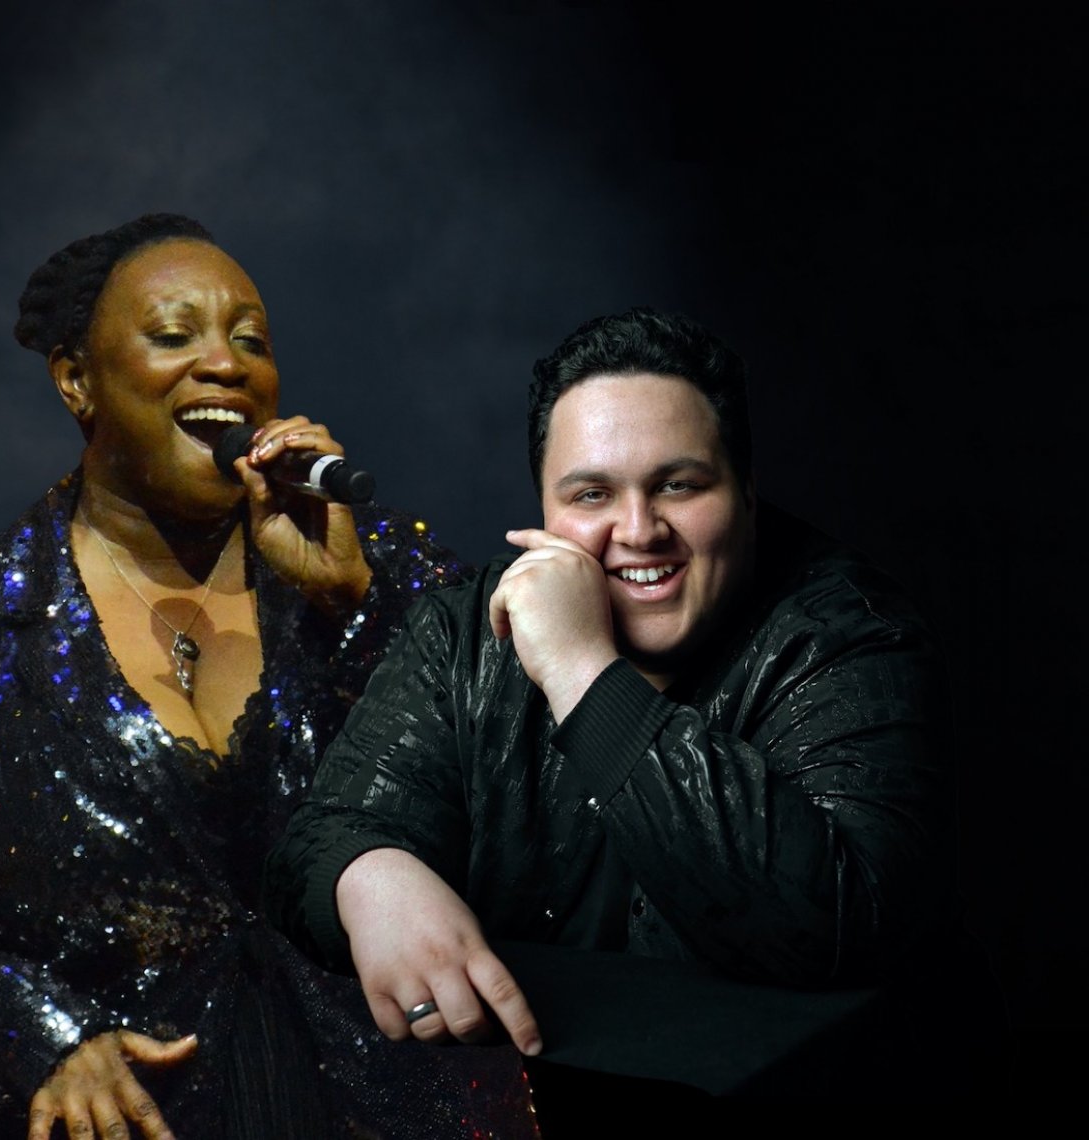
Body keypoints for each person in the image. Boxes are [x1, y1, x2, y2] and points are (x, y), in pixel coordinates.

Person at [0, 212, 539, 1139]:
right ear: (76, 380)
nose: (224, 364)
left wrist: (359, 608)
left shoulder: (380, 573)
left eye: (251, 341)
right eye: (174, 336)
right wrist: (36, 1036)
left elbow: (532, 796)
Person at [265, 306, 1007, 1107]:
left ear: (747, 492)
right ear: (545, 511)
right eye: (592, 493)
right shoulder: (461, 633)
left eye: (679, 485)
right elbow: (321, 836)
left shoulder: (854, 635)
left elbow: (837, 927)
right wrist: (368, 876)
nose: (639, 530)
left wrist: (582, 669)